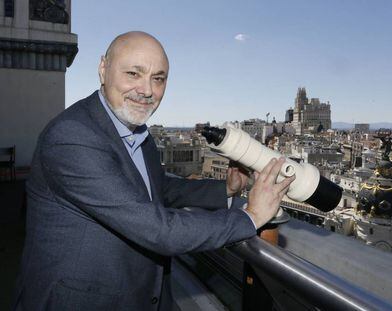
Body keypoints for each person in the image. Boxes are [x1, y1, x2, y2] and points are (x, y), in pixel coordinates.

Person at [13, 31, 294, 310]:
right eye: (133, 74)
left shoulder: (137, 133)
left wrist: (226, 189)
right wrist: (251, 216)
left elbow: (158, 187)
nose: (147, 90)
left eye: (157, 78)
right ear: (103, 69)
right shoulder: (73, 137)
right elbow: (159, 230)